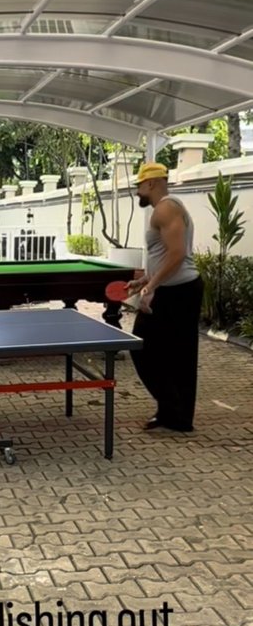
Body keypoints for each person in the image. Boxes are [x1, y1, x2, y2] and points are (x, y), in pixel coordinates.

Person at [127, 162, 203, 433]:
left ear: (152, 183)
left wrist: (151, 288)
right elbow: (165, 256)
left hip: (178, 292)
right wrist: (145, 280)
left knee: (143, 348)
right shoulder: (166, 208)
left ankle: (175, 412)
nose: (137, 192)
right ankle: (174, 414)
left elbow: (177, 254)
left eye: (139, 185)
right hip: (176, 289)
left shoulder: (166, 208)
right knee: (172, 354)